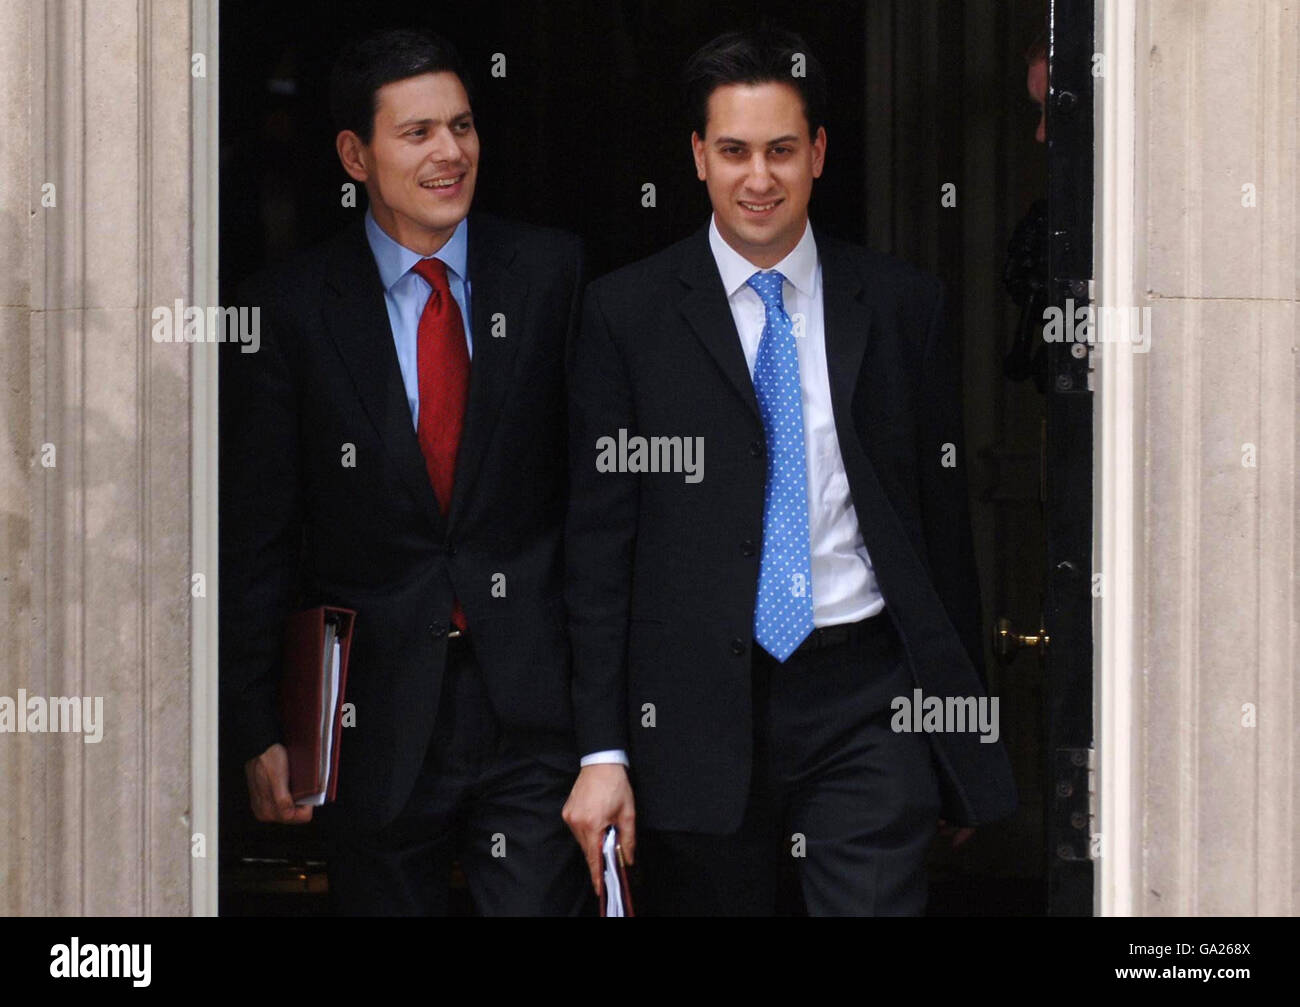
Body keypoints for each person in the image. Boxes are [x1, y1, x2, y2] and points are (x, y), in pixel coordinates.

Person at [562, 26, 1017, 915]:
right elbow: (597, 551)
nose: (758, 178)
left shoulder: (900, 306)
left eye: (780, 150)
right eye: (733, 151)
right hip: (690, 708)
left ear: (817, 154)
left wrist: (961, 728)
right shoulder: (625, 316)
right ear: (697, 157)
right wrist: (603, 749)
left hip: (866, 693)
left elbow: (941, 533)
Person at [221, 27, 589, 916]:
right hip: (371, 720)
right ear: (356, 154)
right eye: (417, 132)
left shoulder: (549, 274)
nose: (450, 152)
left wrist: (612, 728)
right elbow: (258, 535)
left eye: (461, 127)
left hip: (532, 707)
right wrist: (258, 728)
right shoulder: (291, 309)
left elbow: (597, 501)